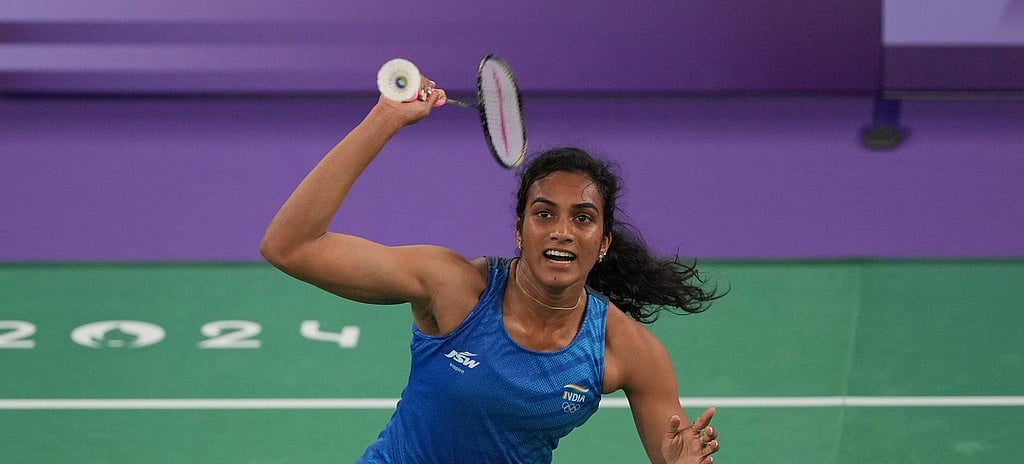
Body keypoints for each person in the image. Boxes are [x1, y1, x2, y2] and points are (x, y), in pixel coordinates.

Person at [260, 76, 724, 464]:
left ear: (602, 243)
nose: (562, 231)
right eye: (544, 214)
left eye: (582, 218)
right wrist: (386, 119)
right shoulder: (454, 286)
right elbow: (291, 246)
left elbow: (676, 453)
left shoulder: (625, 349)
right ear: (520, 232)